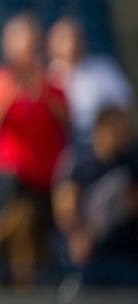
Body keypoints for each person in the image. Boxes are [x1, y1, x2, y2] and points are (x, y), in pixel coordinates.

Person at [0, 13, 69, 287]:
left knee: (38, 237)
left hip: (46, 175)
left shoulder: (52, 84)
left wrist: (40, 90)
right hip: (13, 173)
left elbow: (66, 122)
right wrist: (14, 92)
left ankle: (29, 284)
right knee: (17, 231)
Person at [53, 105, 138, 286]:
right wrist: (79, 236)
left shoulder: (131, 161)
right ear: (103, 130)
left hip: (127, 252)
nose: (124, 134)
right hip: (90, 255)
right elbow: (65, 207)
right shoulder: (80, 161)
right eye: (118, 128)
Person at [47, 16, 133, 146]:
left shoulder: (104, 67)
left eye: (76, 37)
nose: (72, 43)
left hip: (111, 142)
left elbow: (126, 103)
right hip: (73, 147)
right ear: (52, 44)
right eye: (64, 39)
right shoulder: (48, 79)